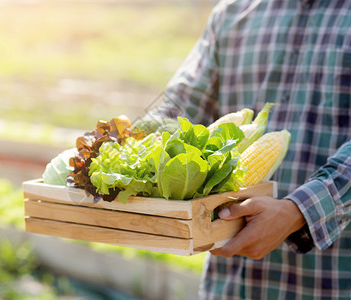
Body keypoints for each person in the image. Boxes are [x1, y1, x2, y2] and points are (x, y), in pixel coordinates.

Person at [148, 0, 350, 299]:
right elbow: (179, 105)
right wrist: (127, 144)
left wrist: (299, 210)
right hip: (230, 285)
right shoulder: (232, 12)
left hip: (331, 280)